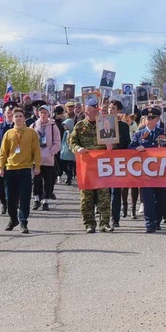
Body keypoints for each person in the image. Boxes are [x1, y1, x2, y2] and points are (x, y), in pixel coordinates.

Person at [70, 99, 113, 233]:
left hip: (102, 166)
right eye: (91, 111)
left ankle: (105, 223)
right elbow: (72, 143)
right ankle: (89, 223)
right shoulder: (79, 126)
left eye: (96, 111)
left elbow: (113, 141)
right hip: (86, 166)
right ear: (86, 110)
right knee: (86, 197)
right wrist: (78, 149)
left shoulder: (105, 124)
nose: (94, 113)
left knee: (104, 197)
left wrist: (110, 146)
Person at [0, 107, 41, 234]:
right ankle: (13, 219)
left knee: (25, 197)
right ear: (12, 118)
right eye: (15, 116)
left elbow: (36, 150)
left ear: (24, 118)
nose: (18, 118)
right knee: (9, 198)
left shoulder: (31, 132)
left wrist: (37, 166)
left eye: (20, 116)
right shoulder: (9, 133)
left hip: (25, 169)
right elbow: (3, 152)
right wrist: (1, 167)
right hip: (10, 168)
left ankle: (23, 221)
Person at [130, 107, 166, 233]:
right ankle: (149, 223)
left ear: (157, 119)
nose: (149, 120)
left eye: (152, 118)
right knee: (147, 198)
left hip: (161, 171)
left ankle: (157, 220)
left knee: (160, 198)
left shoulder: (164, 133)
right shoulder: (139, 134)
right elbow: (129, 150)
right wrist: (137, 149)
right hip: (145, 173)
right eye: (147, 118)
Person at [105, 100, 133, 228]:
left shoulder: (123, 126)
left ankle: (114, 218)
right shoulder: (101, 123)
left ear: (118, 111)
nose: (111, 110)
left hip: (117, 161)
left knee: (116, 191)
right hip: (103, 161)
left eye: (114, 108)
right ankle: (103, 217)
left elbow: (127, 144)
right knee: (105, 191)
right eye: (109, 107)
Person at [32, 105, 61, 212]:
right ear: (38, 114)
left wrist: (50, 152)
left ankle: (45, 201)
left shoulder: (53, 126)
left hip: (48, 159)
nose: (43, 115)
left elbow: (57, 143)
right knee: (36, 180)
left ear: (48, 114)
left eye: (45, 112)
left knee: (48, 181)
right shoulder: (34, 125)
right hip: (36, 159)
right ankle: (36, 199)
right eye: (41, 113)